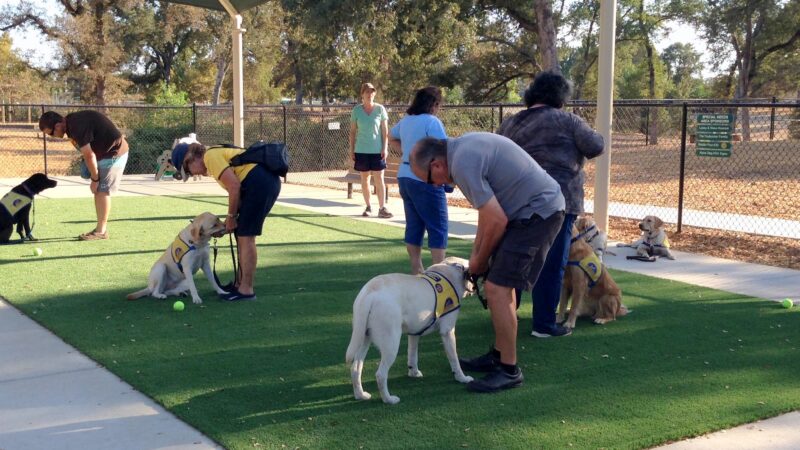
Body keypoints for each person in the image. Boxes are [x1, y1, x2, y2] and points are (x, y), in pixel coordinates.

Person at [410, 132, 565, 393]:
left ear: (436, 165)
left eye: (428, 180)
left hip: (539, 213)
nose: (434, 185)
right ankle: (500, 354)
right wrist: (476, 256)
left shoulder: (462, 164)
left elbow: (497, 221)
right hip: (526, 212)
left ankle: (509, 370)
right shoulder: (461, 151)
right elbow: (488, 214)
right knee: (499, 287)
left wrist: (480, 262)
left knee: (497, 288)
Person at [497, 71, 605, 338]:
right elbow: (595, 146)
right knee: (552, 261)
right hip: (560, 201)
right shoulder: (569, 121)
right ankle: (543, 324)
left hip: (517, 200)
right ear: (561, 97)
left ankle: (507, 314)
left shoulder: (511, 124)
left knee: (516, 259)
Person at [172, 143, 281, 301]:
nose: (193, 175)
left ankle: (246, 290)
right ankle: (239, 284)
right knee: (240, 232)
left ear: (190, 159)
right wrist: (229, 222)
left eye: (188, 171)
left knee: (246, 236)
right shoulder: (212, 155)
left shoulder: (210, 157)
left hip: (260, 184)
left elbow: (234, 186)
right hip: (259, 183)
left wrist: (230, 217)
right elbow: (236, 187)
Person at [39, 110, 129, 241]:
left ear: (58, 125)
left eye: (51, 133)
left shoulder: (76, 126)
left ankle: (101, 232)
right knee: (96, 187)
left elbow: (89, 155)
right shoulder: (69, 123)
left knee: (102, 190)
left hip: (114, 153)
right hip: (102, 152)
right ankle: (100, 229)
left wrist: (95, 178)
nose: (52, 136)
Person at [389, 86, 449, 274]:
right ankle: (440, 272)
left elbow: (391, 136)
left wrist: (408, 153)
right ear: (434, 105)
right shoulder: (432, 122)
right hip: (426, 178)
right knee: (438, 225)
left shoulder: (406, 120)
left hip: (405, 176)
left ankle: (417, 268)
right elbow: (444, 149)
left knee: (414, 224)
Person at [349, 82, 393, 219]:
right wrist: (351, 150)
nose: (370, 94)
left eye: (372, 91)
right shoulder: (356, 111)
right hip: (361, 150)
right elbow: (352, 132)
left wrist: (384, 148)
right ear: (362, 94)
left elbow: (385, 131)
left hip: (377, 151)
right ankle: (368, 207)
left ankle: (382, 208)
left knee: (379, 179)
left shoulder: (380, 109)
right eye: (367, 92)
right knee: (365, 179)